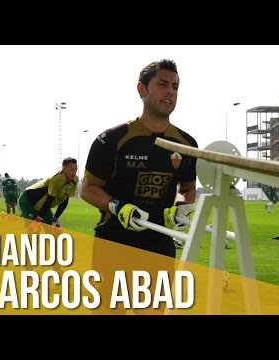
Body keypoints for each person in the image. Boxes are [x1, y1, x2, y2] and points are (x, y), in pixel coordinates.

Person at [80, 59, 198, 313]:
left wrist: (183, 206)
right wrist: (115, 205)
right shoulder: (113, 139)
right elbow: (87, 187)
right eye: (163, 84)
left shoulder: (187, 144)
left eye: (175, 87)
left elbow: (187, 189)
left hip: (158, 245)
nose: (170, 91)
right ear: (141, 89)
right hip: (113, 243)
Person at [18, 157, 78, 228]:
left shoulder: (75, 179)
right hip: (27, 201)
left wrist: (55, 218)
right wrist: (39, 218)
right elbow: (50, 199)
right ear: (63, 168)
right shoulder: (57, 178)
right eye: (71, 170)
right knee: (35, 229)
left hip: (43, 205)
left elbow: (65, 200)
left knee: (54, 230)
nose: (74, 172)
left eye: (75, 170)